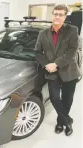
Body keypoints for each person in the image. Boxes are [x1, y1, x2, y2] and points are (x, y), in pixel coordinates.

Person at [34, 4, 81, 136]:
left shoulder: (72, 30)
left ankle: (60, 122)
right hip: (51, 73)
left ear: (65, 16)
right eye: (55, 14)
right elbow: (37, 52)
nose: (57, 17)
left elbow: (72, 51)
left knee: (67, 99)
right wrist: (46, 64)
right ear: (52, 15)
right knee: (54, 98)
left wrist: (56, 64)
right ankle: (68, 120)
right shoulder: (43, 33)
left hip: (69, 71)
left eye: (61, 15)